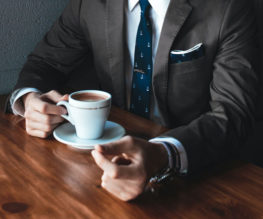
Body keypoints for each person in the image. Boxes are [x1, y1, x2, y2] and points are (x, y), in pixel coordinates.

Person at [8, 0, 258, 201]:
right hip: (98, 165)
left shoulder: (229, 7)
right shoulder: (89, 4)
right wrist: (29, 100)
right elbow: (45, 62)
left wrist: (163, 153)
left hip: (197, 176)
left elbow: (233, 112)